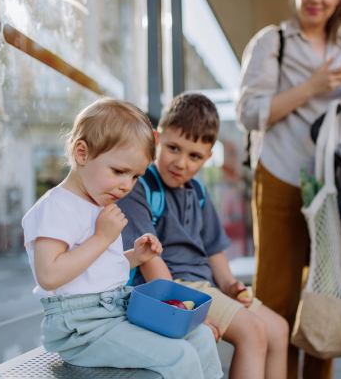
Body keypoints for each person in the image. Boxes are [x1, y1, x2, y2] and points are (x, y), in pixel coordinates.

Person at [21, 97, 223, 379]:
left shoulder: (99, 205)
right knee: (179, 356)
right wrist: (103, 238)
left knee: (199, 339)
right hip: (80, 328)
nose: (127, 185)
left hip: (113, 312)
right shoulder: (56, 206)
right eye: (118, 171)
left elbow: (92, 269)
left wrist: (134, 258)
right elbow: (50, 275)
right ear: (82, 153)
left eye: (136, 176)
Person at [236, 0, 341, 378]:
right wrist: (312, 87)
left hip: (332, 187)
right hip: (281, 176)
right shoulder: (273, 41)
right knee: (276, 298)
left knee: (325, 293)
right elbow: (248, 113)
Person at [118, 93, 290, 379]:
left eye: (195, 156)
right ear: (156, 139)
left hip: (206, 287)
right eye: (174, 148)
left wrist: (231, 285)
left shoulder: (198, 192)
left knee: (278, 330)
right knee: (254, 332)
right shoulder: (139, 186)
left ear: (208, 157)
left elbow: (213, 250)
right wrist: (182, 311)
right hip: (175, 287)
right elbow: (147, 258)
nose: (182, 163)